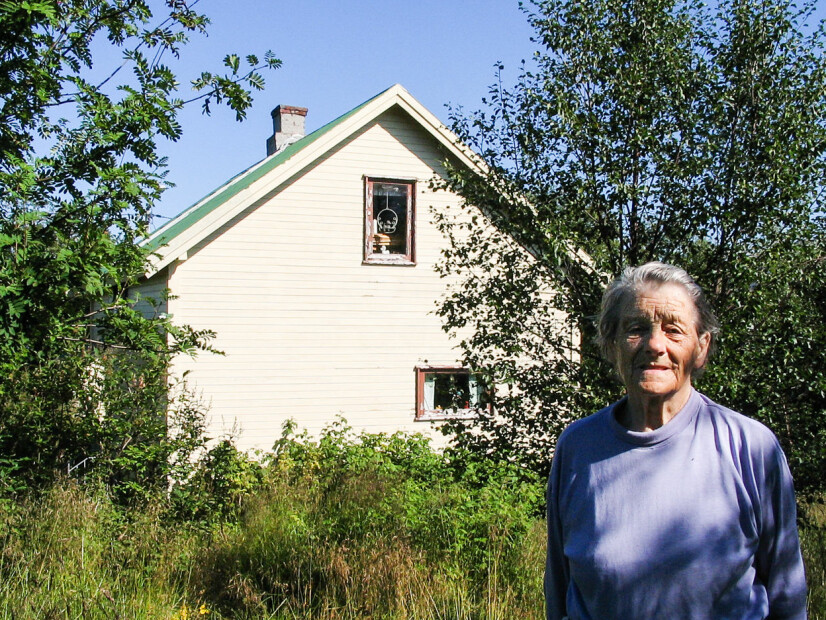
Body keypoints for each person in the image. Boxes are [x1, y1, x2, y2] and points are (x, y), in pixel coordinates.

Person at [544, 262, 808, 620]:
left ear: (701, 348)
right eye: (636, 329)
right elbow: (559, 589)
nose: (655, 344)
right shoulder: (577, 447)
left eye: (673, 330)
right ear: (611, 344)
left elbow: (787, 596)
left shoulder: (752, 447)